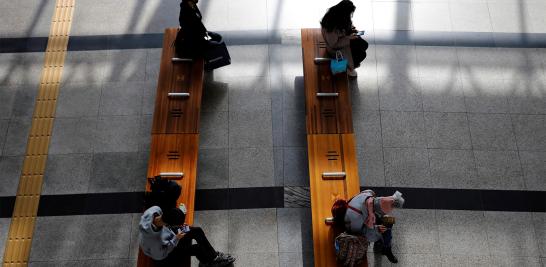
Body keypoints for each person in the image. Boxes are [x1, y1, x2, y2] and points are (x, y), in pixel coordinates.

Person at [139, 205, 235, 267]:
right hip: (166, 253)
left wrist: (180, 214)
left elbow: (169, 219)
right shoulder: (154, 241)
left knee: (197, 231)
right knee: (197, 248)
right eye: (178, 225)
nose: (181, 226)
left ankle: (213, 258)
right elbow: (159, 256)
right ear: (170, 224)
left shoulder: (155, 210)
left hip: (170, 233)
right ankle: (210, 262)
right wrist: (176, 239)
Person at [332, 190, 404, 263]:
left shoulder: (367, 196)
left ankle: (385, 245)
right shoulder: (355, 218)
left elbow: (371, 192)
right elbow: (360, 235)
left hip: (367, 217)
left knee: (389, 220)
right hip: (362, 227)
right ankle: (386, 248)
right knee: (385, 228)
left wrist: (372, 214)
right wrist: (376, 229)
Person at [320, 0, 368, 77]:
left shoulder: (339, 15)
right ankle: (348, 68)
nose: (350, 15)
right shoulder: (330, 28)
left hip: (345, 39)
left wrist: (352, 30)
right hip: (336, 48)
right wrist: (349, 38)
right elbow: (333, 44)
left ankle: (351, 63)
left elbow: (347, 24)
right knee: (362, 54)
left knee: (364, 45)